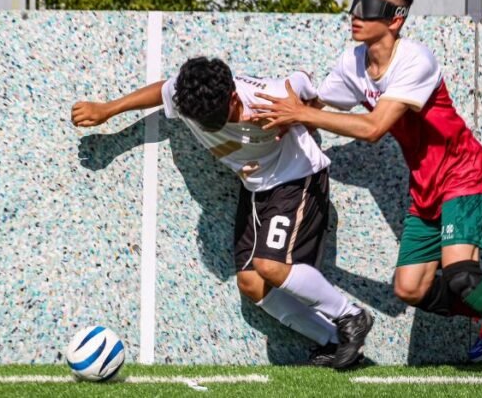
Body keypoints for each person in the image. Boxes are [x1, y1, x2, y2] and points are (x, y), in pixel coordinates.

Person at [250, 0, 482, 380]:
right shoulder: (353, 63)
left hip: (463, 174)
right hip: (425, 185)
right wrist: (286, 105)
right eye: (355, 6)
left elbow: (374, 127)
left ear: (395, 19)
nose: (355, 16)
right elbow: (319, 99)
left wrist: (304, 114)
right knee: (410, 289)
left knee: (461, 276)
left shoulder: (415, 60)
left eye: (368, 8)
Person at [71, 57, 372, 369]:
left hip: (295, 178)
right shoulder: (187, 94)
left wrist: (300, 115)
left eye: (216, 116)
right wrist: (107, 109)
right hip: (256, 187)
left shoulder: (264, 96)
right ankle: (334, 341)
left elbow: (302, 81)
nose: (208, 125)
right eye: (200, 120)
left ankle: (351, 315)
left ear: (232, 97)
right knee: (252, 283)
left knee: (270, 266)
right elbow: (162, 89)